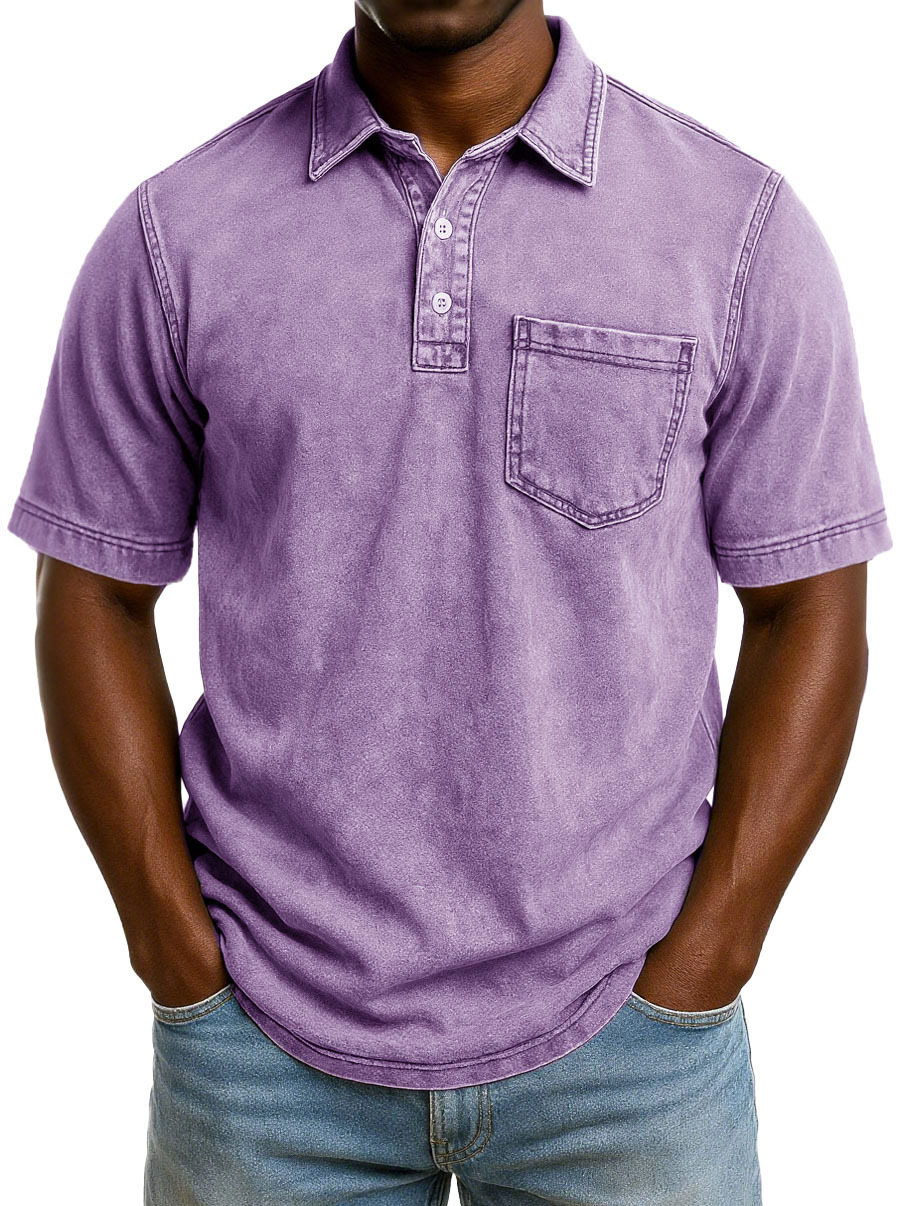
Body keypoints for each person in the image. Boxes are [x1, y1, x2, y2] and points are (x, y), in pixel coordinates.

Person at [7, 1, 892, 1202]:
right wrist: (173, 952)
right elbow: (91, 589)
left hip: (631, 1050)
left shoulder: (732, 227)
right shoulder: (178, 234)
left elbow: (808, 598)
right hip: (263, 1056)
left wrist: (712, 949)